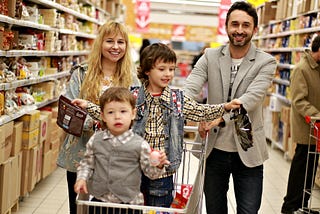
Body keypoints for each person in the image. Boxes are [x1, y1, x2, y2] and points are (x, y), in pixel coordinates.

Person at [72, 42, 241, 209]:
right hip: (133, 169)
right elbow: (112, 112)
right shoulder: (134, 96)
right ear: (147, 70)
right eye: (162, 69)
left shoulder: (177, 99)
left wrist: (224, 107)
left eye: (171, 69)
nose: (167, 74)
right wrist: (88, 106)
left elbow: (199, 111)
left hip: (162, 172)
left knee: (158, 208)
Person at [183, 1, 277, 214]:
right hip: (214, 150)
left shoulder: (266, 62)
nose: (239, 30)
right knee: (215, 210)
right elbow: (191, 87)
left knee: (248, 210)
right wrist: (188, 110)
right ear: (226, 27)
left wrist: (218, 116)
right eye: (234, 24)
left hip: (248, 150)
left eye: (246, 25)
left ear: (254, 29)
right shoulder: (210, 56)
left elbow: (251, 99)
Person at [56, 20, 140, 214]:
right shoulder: (81, 74)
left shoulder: (132, 79)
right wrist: (99, 124)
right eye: (110, 41)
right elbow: (69, 112)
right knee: (79, 208)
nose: (115, 47)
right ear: (100, 43)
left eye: (121, 42)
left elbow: (136, 116)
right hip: (81, 154)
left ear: (126, 46)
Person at [74, 87, 169, 214]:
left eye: (123, 111)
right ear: (103, 116)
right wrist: (81, 179)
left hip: (129, 205)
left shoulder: (140, 145)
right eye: (111, 112)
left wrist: (158, 165)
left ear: (133, 114)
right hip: (100, 202)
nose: (117, 117)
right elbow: (87, 164)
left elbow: (151, 174)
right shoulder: (96, 140)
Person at [281, 35, 320, 214]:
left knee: (310, 170)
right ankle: (290, 206)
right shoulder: (302, 69)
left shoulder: (317, 68)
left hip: (316, 129)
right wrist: (317, 115)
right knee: (300, 169)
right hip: (307, 128)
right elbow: (298, 100)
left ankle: (302, 205)